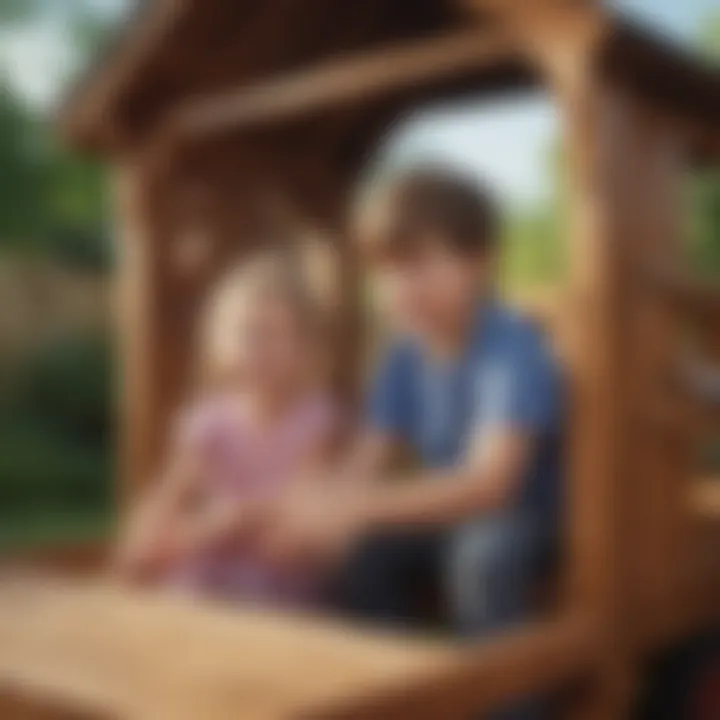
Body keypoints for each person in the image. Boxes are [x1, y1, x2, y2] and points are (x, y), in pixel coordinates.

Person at [260, 167, 564, 638]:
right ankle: (404, 683)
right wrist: (323, 510)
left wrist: (354, 505)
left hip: (523, 515)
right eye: (384, 271)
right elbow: (368, 457)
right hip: (451, 511)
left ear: (478, 262)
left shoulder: (510, 347)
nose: (399, 287)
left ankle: (508, 704)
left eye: (418, 263)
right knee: (360, 555)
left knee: (482, 559)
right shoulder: (404, 354)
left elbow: (492, 484)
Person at [114, 254, 338, 607]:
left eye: (276, 336)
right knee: (174, 586)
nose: (260, 349)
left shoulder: (313, 419)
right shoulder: (209, 422)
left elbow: (297, 502)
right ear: (219, 342)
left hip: (274, 570)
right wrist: (148, 532)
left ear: (305, 348)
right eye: (249, 333)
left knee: (270, 571)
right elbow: (170, 490)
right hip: (210, 563)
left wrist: (225, 521)